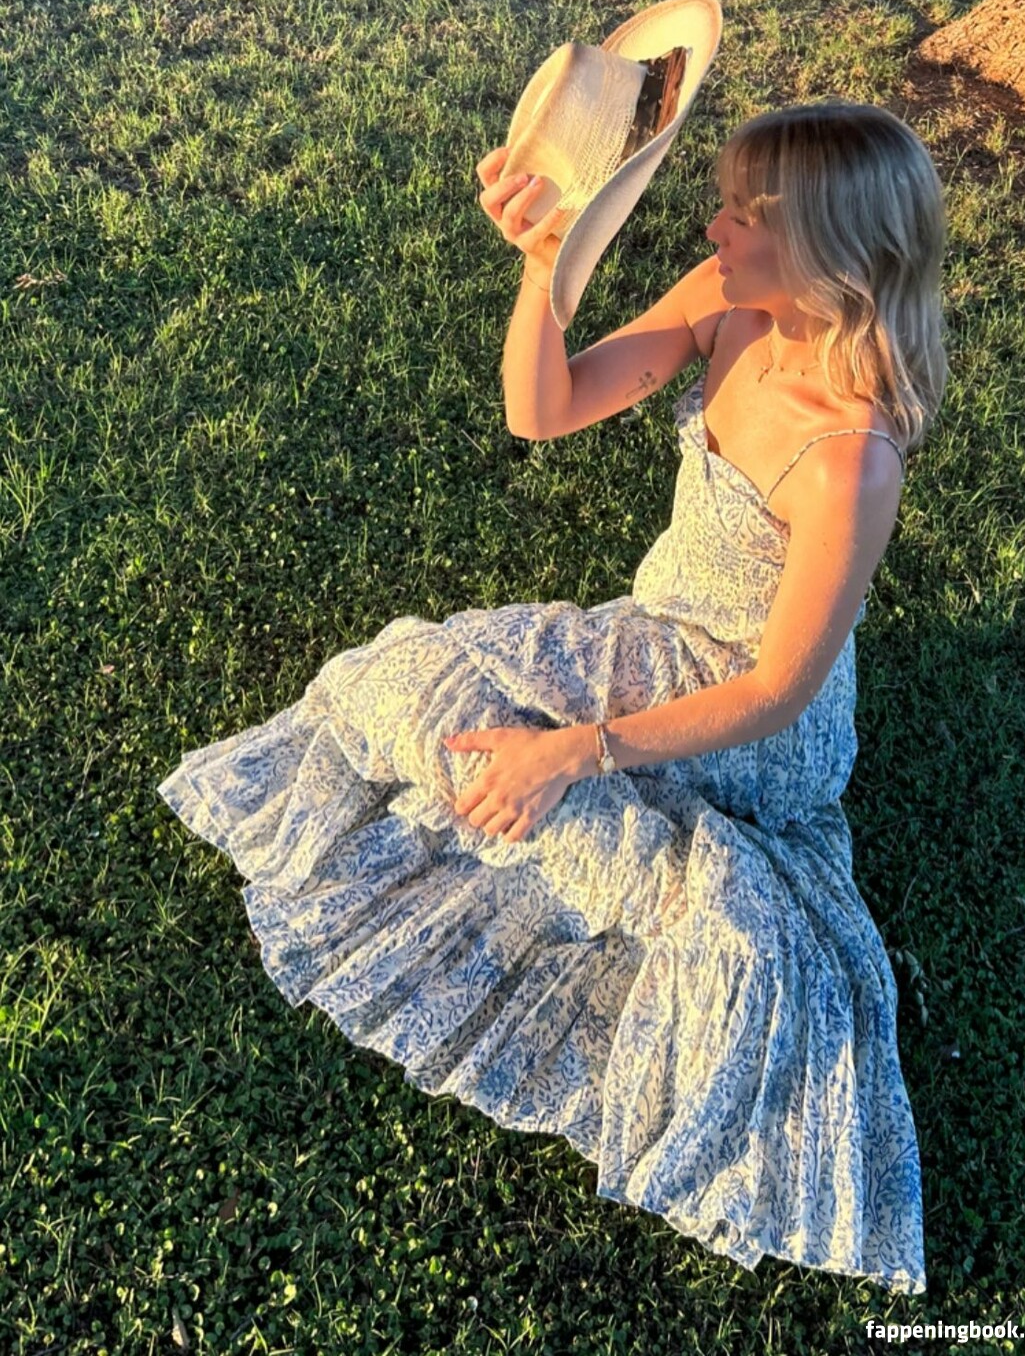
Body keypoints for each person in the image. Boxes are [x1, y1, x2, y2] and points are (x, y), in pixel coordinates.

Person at [158, 98, 947, 1296]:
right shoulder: (729, 299)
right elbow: (545, 409)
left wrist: (574, 751)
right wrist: (546, 269)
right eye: (724, 204)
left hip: (747, 712)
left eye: (744, 215)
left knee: (546, 787)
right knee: (410, 680)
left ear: (834, 248)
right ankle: (566, 799)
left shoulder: (852, 456)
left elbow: (778, 691)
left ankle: (653, 869)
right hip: (653, 635)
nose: (714, 226)